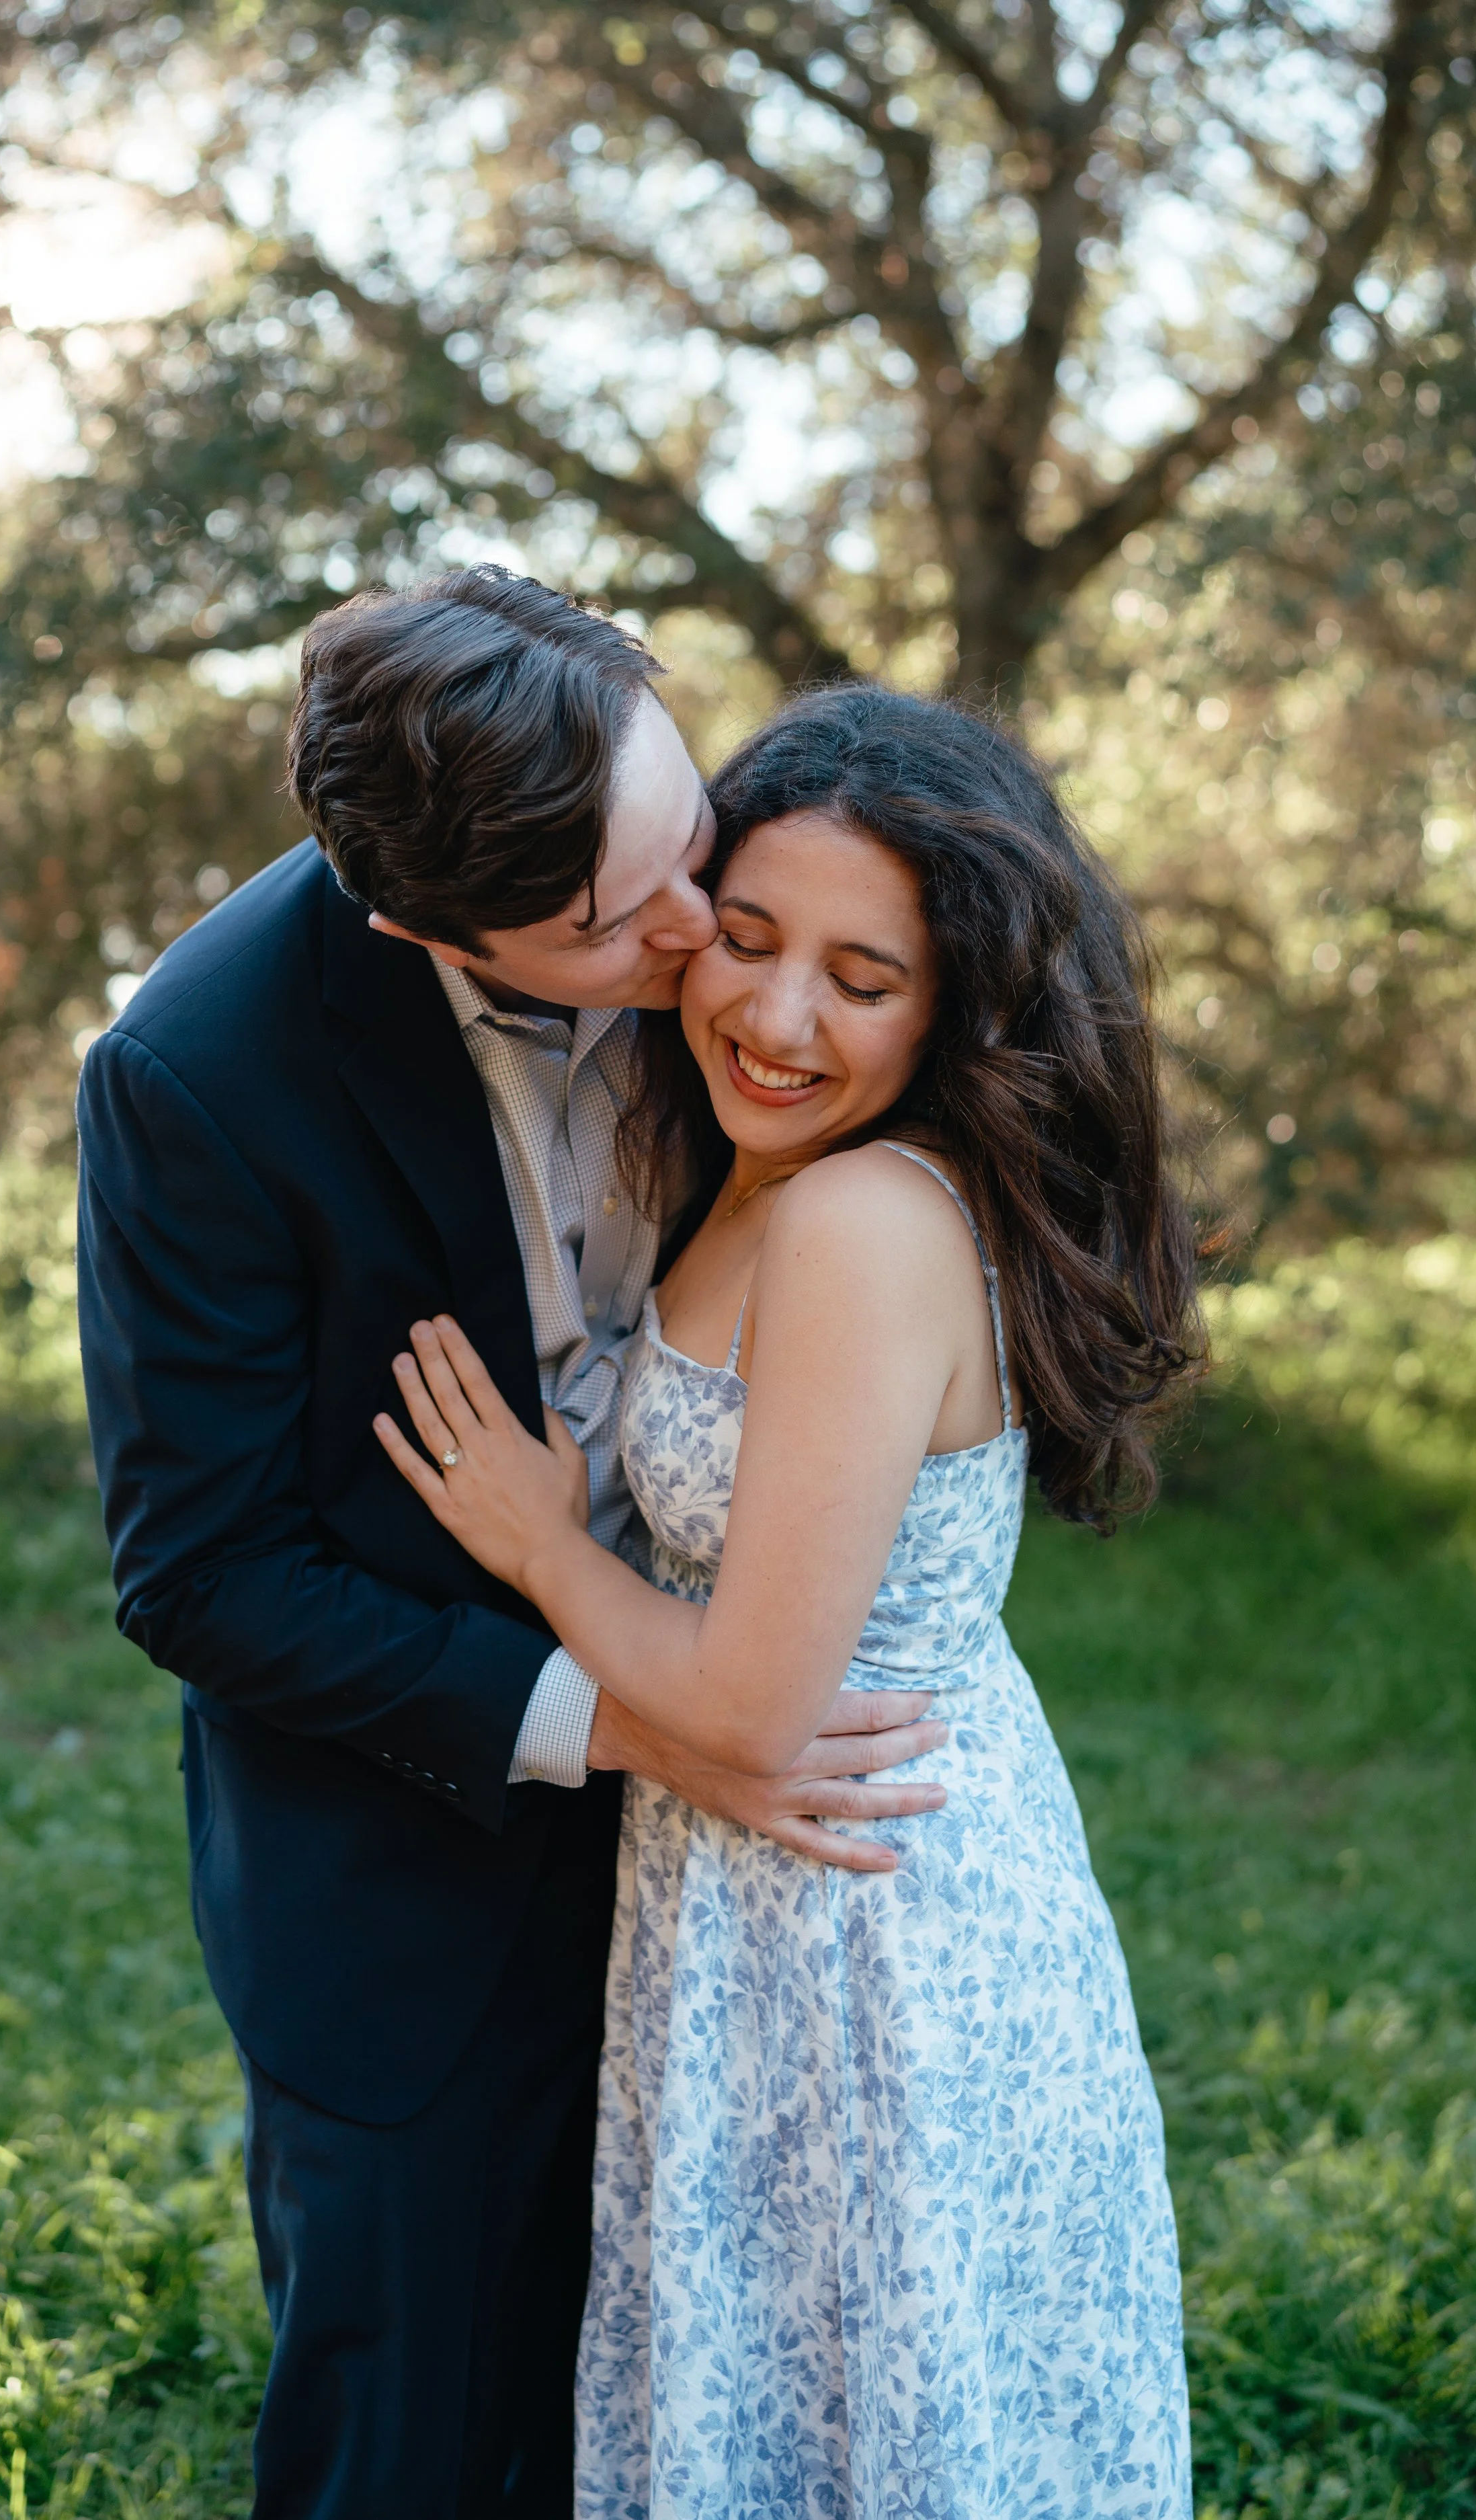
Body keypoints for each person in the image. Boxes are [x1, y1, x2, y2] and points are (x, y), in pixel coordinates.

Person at [74, 569, 952, 2519]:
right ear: (421, 925)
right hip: (411, 1877)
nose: (687, 938)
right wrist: (645, 1717)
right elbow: (202, 1569)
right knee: (401, 2436)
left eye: (681, 847)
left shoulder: (746, 929)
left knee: (672, 2427)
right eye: (602, 924)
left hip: (753, 1894)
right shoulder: (198, 1076)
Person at [376, 683, 1204, 2519]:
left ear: (955, 1003)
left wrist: (536, 1539)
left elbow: (751, 1711)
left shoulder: (864, 1222)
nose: (773, 1013)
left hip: (871, 1918)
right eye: (743, 940)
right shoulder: (755, 1171)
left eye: (861, 975)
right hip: (759, 1901)